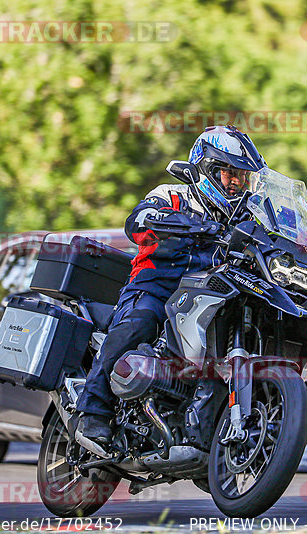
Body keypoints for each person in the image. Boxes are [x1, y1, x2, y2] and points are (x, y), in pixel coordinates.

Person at [76, 125, 267, 450]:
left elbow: (271, 240)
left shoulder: (246, 216)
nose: (237, 182)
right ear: (208, 168)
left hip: (211, 293)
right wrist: (166, 220)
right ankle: (92, 410)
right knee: (141, 322)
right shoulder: (174, 195)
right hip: (157, 286)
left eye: (242, 176)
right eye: (230, 173)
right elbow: (137, 220)